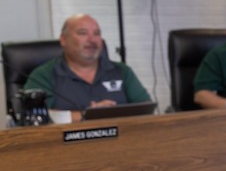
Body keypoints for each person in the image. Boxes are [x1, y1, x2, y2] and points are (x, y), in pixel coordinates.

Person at [23, 13, 152, 122]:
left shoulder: (122, 71)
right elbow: (35, 117)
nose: (92, 40)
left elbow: (146, 109)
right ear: (63, 40)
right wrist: (87, 115)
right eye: (83, 33)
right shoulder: (43, 75)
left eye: (97, 33)